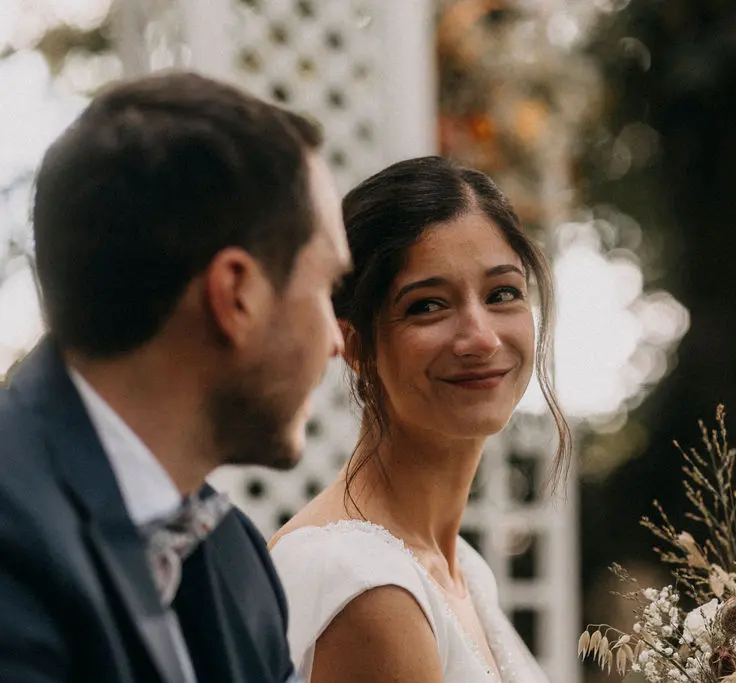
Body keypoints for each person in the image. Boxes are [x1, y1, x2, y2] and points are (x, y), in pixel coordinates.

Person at [0, 71, 351, 683]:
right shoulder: (15, 539)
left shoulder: (236, 557)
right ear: (236, 294)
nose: (336, 341)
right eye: (325, 287)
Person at [269, 156, 571, 683]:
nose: (481, 339)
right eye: (428, 305)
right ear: (354, 344)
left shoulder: (464, 570)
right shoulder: (368, 588)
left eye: (502, 294)